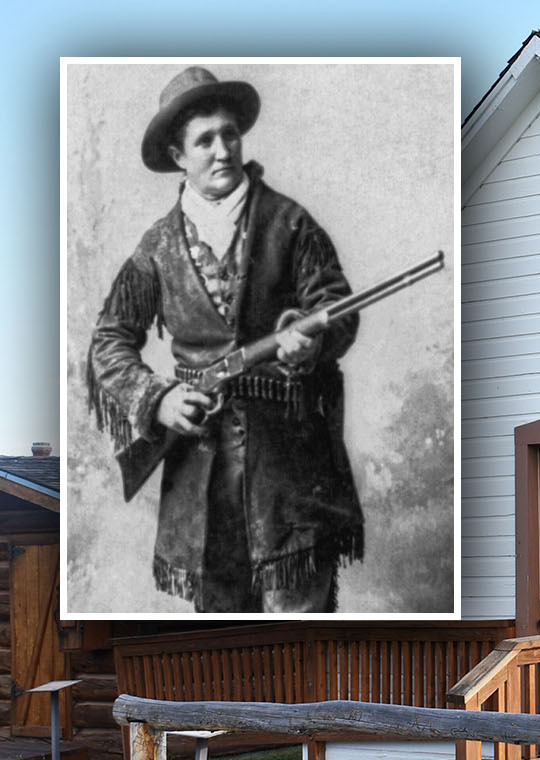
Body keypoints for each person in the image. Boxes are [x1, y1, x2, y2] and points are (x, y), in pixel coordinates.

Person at [87, 67, 363, 613]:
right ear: (177, 154)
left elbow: (337, 309)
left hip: (291, 477)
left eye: (230, 134)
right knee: (224, 648)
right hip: (201, 482)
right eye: (205, 140)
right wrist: (158, 399)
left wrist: (310, 343)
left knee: (300, 637)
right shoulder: (157, 248)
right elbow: (108, 341)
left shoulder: (290, 223)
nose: (222, 150)